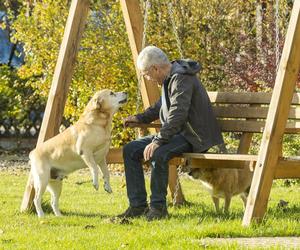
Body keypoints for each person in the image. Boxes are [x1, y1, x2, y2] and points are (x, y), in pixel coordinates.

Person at [117, 45, 224, 221]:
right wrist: (140, 118)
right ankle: (137, 206)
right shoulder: (170, 77)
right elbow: (161, 105)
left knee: (158, 153)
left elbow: (177, 114)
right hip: (177, 133)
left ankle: (158, 209)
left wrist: (158, 140)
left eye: (146, 74)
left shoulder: (181, 78)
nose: (148, 78)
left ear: (155, 68)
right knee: (131, 150)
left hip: (194, 136)